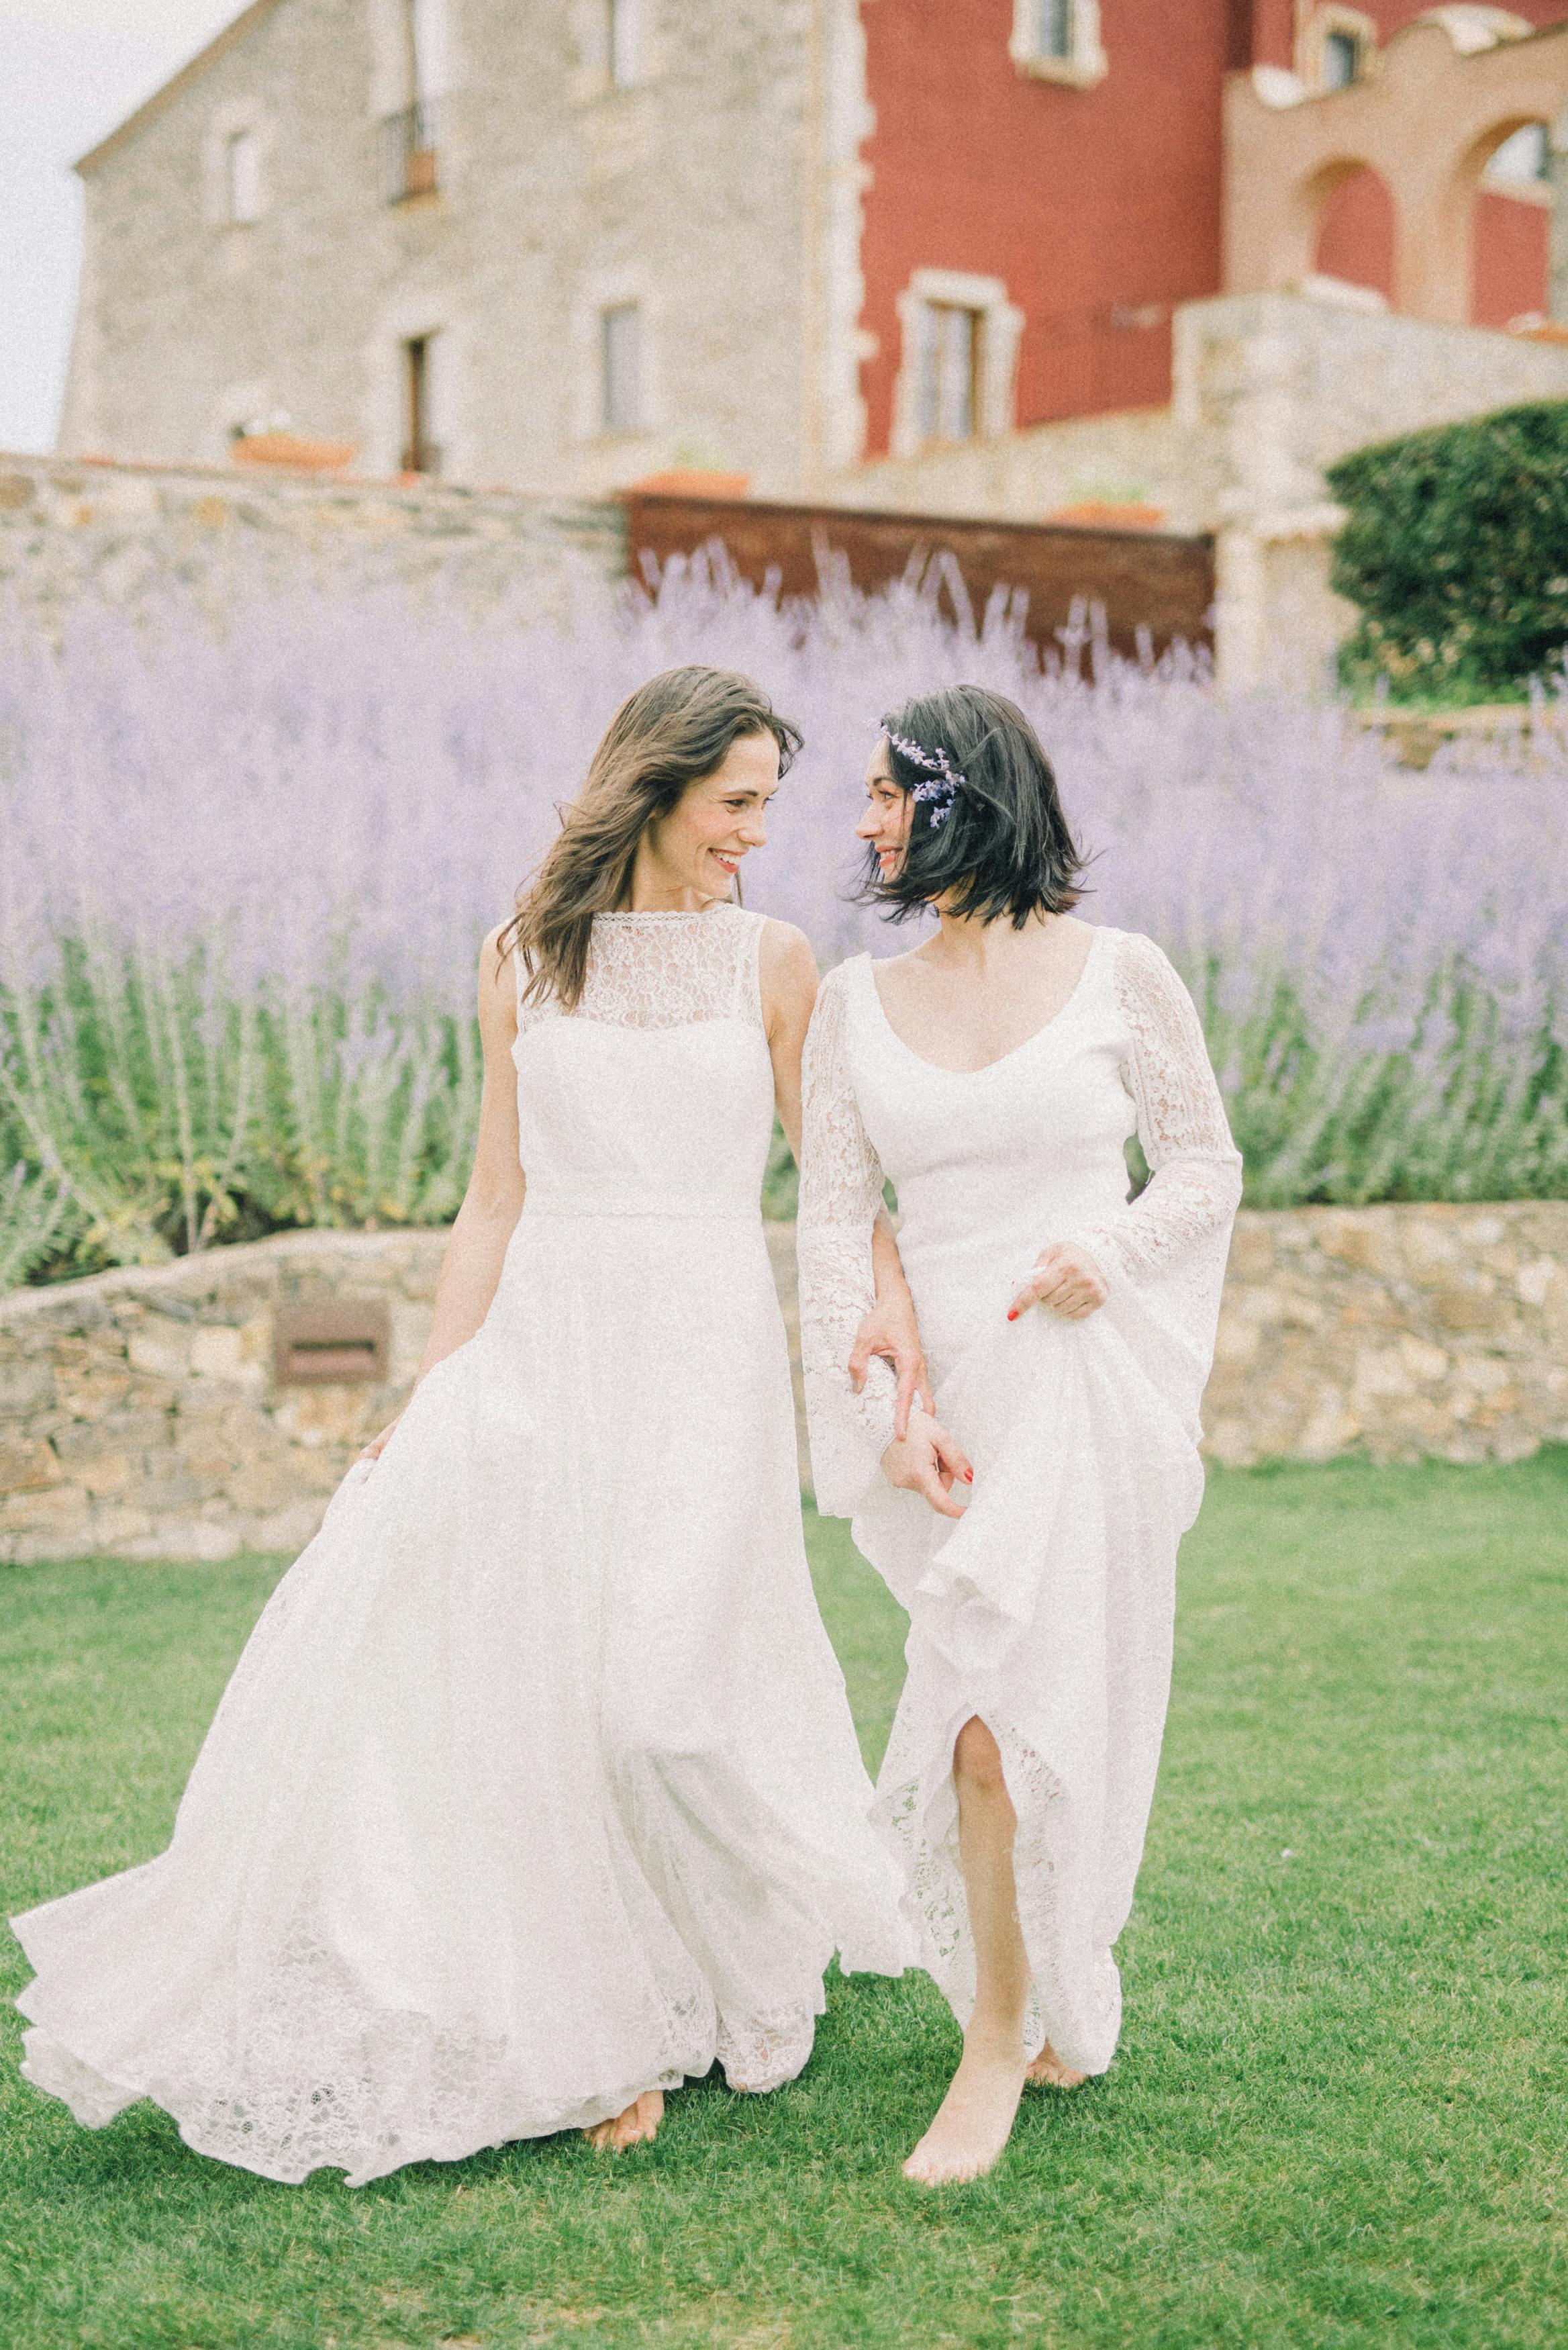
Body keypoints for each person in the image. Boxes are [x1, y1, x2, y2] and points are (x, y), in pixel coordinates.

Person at [12, 665, 920, 2185]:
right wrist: (438, 1383)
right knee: (541, 1694)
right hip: (543, 1346)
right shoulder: (520, 956)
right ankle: (603, 2010)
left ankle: (746, 1953)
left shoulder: (773, 959)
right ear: (659, 783)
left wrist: (883, 1311)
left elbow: (838, 1177)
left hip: (698, 1347)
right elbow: (492, 1195)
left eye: (768, 804)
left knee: (665, 1699)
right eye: (740, 801)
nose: (759, 834)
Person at [797, 686, 1242, 2186]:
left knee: (1007, 1720)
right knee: (991, 1715)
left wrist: (1103, 1255)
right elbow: (835, 1227)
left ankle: (996, 2037)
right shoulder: (856, 1004)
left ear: (964, 796)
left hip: (1078, 1381)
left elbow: (1202, 1165)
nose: (861, 821)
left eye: (883, 789)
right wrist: (885, 1416)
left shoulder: (1125, 975)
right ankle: (1033, 1998)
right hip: (953, 1417)